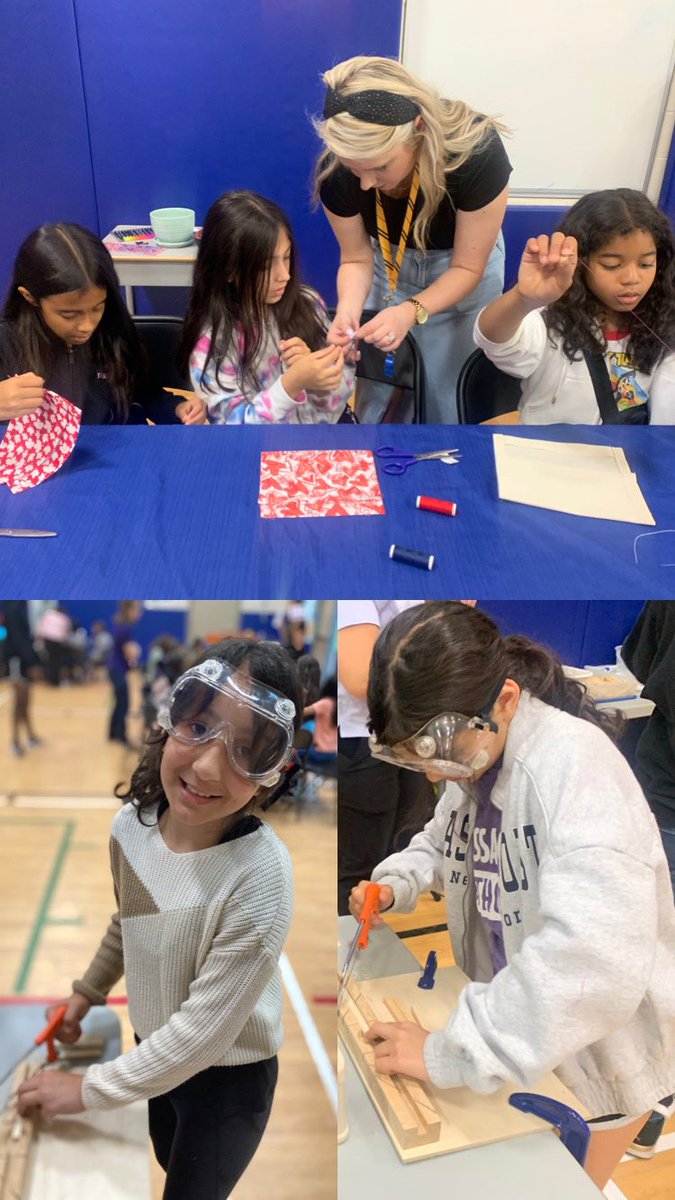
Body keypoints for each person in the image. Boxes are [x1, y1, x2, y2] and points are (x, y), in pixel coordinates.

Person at [348, 602, 675, 1190]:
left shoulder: (575, 772)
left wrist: (452, 1051)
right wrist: (398, 881)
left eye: (436, 752)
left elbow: (592, 967)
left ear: (503, 700)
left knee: (559, 1185)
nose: (431, 774)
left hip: (597, 1056)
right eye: (409, 755)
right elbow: (443, 839)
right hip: (523, 1029)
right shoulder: (478, 756)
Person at [18, 639, 301, 1200]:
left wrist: (85, 1089)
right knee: (167, 1163)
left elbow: (200, 1039)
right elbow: (130, 920)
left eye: (246, 750)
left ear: (274, 771)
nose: (206, 765)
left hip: (226, 1083)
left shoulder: (261, 877)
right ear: (169, 720)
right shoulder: (131, 827)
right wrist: (85, 995)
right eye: (198, 728)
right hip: (151, 1050)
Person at [314, 55, 511, 422]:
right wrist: (347, 311)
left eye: (380, 166)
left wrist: (411, 310)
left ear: (418, 129)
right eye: (355, 167)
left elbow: (468, 268)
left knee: (447, 404)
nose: (366, 183)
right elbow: (356, 259)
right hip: (388, 265)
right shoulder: (338, 173)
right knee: (377, 399)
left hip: (462, 271)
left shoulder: (475, 153)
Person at [474, 189, 675, 423]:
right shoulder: (550, 321)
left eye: (646, 264)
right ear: (580, 262)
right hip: (549, 453)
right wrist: (523, 297)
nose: (632, 278)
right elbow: (493, 340)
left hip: (625, 456)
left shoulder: (663, 324)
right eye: (611, 265)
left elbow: (665, 420)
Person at [177, 191, 355, 424]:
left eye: (287, 256)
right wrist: (292, 383)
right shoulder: (212, 343)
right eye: (265, 266)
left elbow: (341, 395)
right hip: (259, 452)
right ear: (229, 270)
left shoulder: (308, 304)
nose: (285, 275)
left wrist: (321, 376)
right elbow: (238, 429)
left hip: (322, 440)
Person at [0, 222, 181, 424]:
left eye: (97, 307)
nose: (87, 325)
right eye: (69, 315)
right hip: (37, 454)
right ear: (30, 297)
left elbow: (144, 392)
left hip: (117, 448)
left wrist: (177, 408)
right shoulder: (6, 342)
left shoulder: (113, 329)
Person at [337, 600, 436, 914]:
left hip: (410, 734)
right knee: (359, 868)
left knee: (403, 851)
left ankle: (381, 948)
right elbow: (360, 679)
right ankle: (350, 951)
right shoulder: (357, 587)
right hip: (362, 739)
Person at [1, 600, 42, 757]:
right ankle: (15, 742)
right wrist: (32, 663)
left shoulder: (22, 605)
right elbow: (18, 638)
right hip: (16, 661)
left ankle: (30, 736)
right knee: (19, 702)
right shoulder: (13, 607)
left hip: (24, 661)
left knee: (25, 701)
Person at [108, 601, 143, 747]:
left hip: (115, 669)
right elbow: (129, 653)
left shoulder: (122, 627)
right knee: (124, 703)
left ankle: (112, 734)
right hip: (117, 669)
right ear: (129, 610)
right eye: (137, 610)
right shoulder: (125, 629)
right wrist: (136, 654)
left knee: (119, 702)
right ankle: (121, 736)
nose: (139, 614)